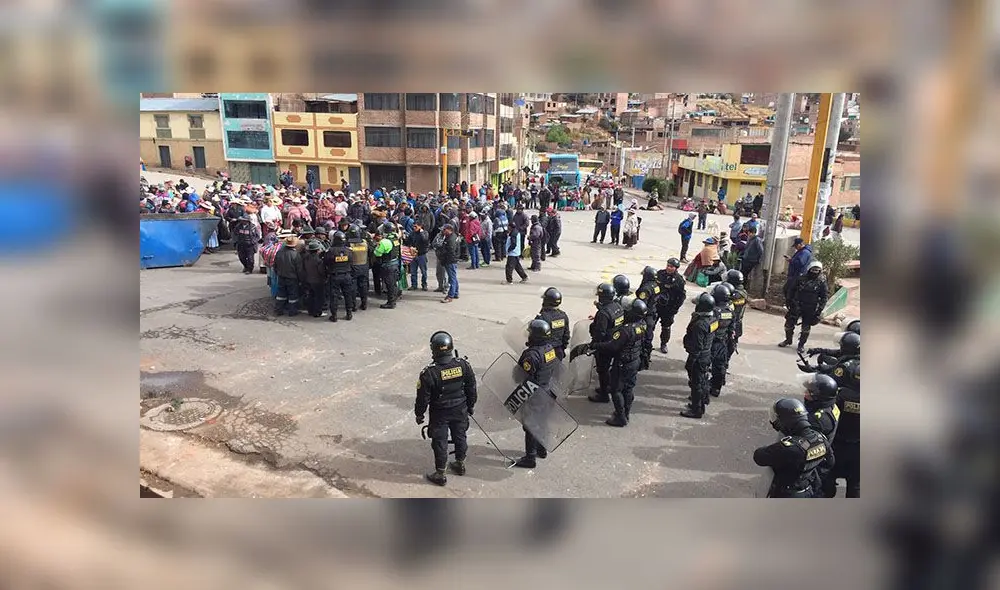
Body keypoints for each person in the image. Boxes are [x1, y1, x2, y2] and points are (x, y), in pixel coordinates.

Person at [415, 331, 478, 486]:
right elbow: (471, 388)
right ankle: (460, 464)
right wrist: (470, 406)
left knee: (440, 442)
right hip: (460, 409)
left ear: (433, 349)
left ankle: (440, 473)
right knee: (460, 436)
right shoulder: (463, 365)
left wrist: (419, 414)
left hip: (440, 413)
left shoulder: (429, 372)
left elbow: (423, 398)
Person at [753, 398, 833, 498]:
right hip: (808, 490)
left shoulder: (790, 448)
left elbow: (759, 456)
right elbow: (830, 462)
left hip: (786, 495)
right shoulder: (820, 438)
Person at [591, 298, 647, 427]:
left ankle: (620, 417)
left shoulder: (626, 330)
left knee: (616, 389)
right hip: (634, 361)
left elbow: (612, 346)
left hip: (623, 363)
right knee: (628, 389)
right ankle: (626, 413)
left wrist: (596, 345)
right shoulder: (642, 325)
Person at [513, 319, 558, 469]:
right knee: (542, 421)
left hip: (535, 394)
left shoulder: (531, 355)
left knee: (530, 425)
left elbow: (519, 376)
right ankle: (541, 449)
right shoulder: (550, 349)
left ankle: (530, 458)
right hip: (548, 391)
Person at [680, 292, 717, 419]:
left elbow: (697, 346)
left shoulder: (700, 325)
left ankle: (697, 410)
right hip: (707, 354)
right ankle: (703, 399)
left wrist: (691, 361)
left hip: (699, 357)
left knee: (696, 384)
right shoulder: (713, 319)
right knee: (703, 379)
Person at [587, 283, 625, 404]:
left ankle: (604, 395)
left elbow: (600, 333)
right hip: (616, 342)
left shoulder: (603, 314)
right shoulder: (617, 306)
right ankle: (607, 387)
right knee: (609, 368)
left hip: (605, 345)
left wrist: (594, 345)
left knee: (602, 369)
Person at [779, 260, 828, 352]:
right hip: (796, 305)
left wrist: (819, 310)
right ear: (809, 269)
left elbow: (824, 297)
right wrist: (789, 301)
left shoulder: (821, 282)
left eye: (817, 270)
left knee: (806, 328)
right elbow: (791, 290)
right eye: (813, 270)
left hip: (810, 308)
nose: (815, 272)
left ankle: (801, 345)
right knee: (788, 324)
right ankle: (788, 340)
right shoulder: (801, 279)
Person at [708, 283, 735, 399]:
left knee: (703, 367)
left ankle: (701, 391)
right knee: (719, 366)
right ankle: (716, 388)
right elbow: (732, 328)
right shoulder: (730, 311)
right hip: (723, 343)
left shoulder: (714, 311)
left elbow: (707, 327)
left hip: (711, 343)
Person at [655, 258, 686, 354]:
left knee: (666, 327)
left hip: (668, 308)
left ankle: (664, 343)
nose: (669, 268)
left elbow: (681, 297)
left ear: (676, 268)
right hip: (656, 306)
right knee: (650, 325)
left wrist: (675, 309)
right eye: (668, 265)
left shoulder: (679, 280)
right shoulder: (660, 274)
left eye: (671, 267)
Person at [324, 231, 356, 322]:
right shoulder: (349, 251)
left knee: (334, 296)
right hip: (346, 275)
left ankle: (334, 316)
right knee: (348, 295)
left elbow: (325, 262)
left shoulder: (330, 251)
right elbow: (351, 262)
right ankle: (349, 313)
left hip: (335, 276)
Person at [634, 266, 660, 370]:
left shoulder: (645, 289)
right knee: (648, 338)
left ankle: (642, 362)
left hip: (646, 317)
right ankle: (646, 359)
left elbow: (641, 305)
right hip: (652, 315)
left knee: (642, 340)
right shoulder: (656, 286)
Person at [273, 232, 305, 316]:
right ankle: (292, 311)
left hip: (281, 276)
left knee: (281, 294)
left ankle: (278, 310)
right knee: (293, 295)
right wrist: (301, 280)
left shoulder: (279, 252)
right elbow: (299, 269)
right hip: (292, 278)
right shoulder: (296, 255)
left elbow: (275, 265)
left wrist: (278, 273)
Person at [372, 223, 402, 309]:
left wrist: (376, 246)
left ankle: (391, 303)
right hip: (395, 263)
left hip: (388, 265)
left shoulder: (385, 242)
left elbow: (377, 253)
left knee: (389, 284)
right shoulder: (396, 238)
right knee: (393, 283)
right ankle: (394, 299)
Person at [535, 287, 570, 360]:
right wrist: (562, 348)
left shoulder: (542, 317)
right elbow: (566, 336)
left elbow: (535, 337)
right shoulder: (563, 316)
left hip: (544, 352)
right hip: (558, 351)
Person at [725, 269, 748, 361]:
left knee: (724, 344)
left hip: (729, 323)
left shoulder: (733, 294)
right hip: (738, 323)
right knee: (732, 343)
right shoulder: (743, 292)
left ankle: (722, 362)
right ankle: (725, 362)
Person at [347, 225, 371, 311]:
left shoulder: (348, 244)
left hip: (353, 267)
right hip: (364, 266)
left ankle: (353, 306)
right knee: (363, 286)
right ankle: (364, 304)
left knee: (352, 287)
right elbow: (370, 252)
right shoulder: (365, 242)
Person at [782, 237, 813, 303]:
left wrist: (791, 260)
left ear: (800, 244)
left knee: (789, 290)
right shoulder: (802, 251)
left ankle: (791, 304)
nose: (795, 248)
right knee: (789, 290)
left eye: (796, 246)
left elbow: (800, 263)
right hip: (795, 274)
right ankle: (790, 303)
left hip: (798, 275)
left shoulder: (805, 252)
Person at [301, 240, 327, 317]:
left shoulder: (306, 258)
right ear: (317, 250)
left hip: (308, 280)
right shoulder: (318, 260)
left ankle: (310, 311)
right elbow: (321, 271)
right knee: (319, 297)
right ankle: (318, 312)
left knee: (311, 296)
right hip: (318, 281)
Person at [437, 224, 461, 303]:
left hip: (450, 261)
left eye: (444, 230)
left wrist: (444, 260)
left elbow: (450, 252)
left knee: (452, 278)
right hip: (451, 260)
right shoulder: (450, 237)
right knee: (453, 277)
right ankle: (455, 293)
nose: (443, 231)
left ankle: (450, 296)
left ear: (449, 230)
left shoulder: (451, 239)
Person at [406, 221, 430, 291]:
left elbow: (425, 240)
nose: (414, 228)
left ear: (420, 226)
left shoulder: (425, 233)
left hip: (421, 255)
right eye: (413, 226)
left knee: (423, 271)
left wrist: (421, 232)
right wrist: (410, 247)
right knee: (413, 271)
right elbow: (408, 241)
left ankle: (424, 284)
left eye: (416, 226)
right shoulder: (412, 233)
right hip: (413, 254)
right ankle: (414, 285)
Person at [740, 226, 764, 292]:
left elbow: (761, 251)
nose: (749, 234)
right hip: (746, 258)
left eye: (750, 233)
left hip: (751, 260)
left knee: (745, 274)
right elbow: (746, 248)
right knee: (742, 273)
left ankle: (744, 287)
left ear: (753, 233)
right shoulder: (749, 238)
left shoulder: (757, 240)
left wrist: (758, 260)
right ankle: (742, 286)